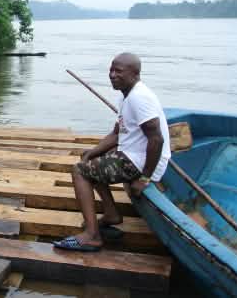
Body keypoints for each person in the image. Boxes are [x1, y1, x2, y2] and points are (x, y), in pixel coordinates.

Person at [53, 53, 171, 252]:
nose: (112, 75)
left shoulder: (139, 98)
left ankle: (92, 236)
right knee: (89, 160)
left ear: (135, 74)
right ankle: (111, 214)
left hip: (142, 162)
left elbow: (157, 139)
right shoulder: (126, 96)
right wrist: (92, 152)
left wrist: (145, 178)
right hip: (132, 155)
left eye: (119, 71)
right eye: (111, 70)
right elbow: (117, 134)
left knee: (79, 171)